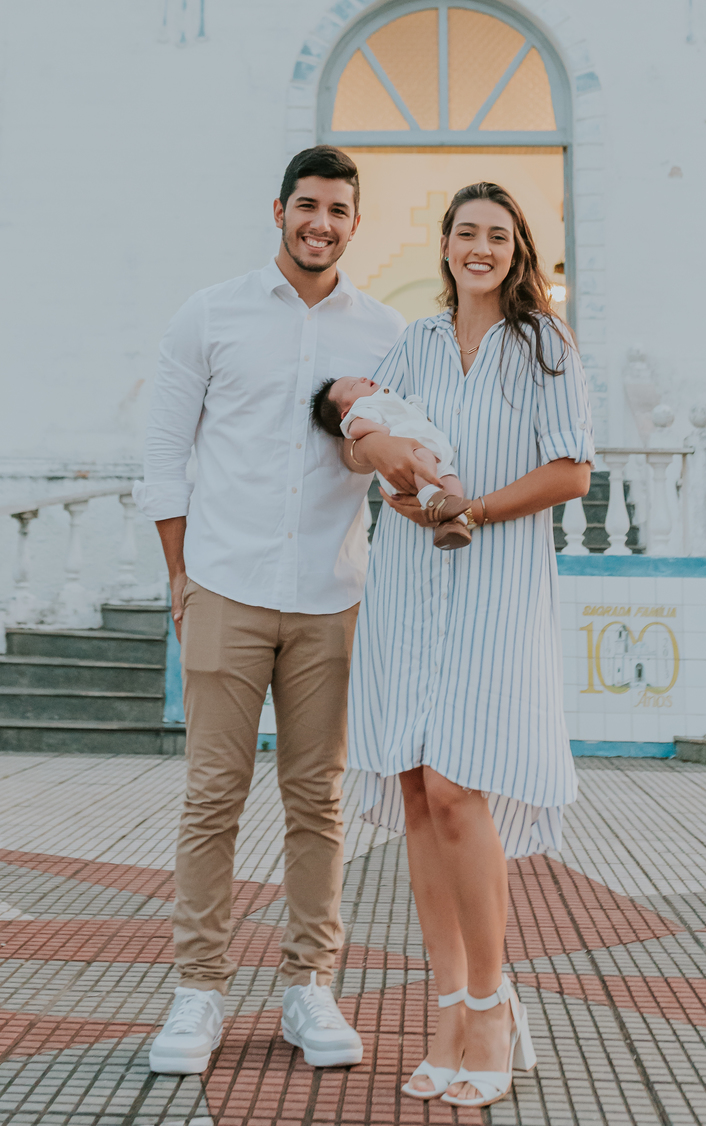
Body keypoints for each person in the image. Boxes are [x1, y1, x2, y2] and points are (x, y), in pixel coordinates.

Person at [142, 146, 409, 1075]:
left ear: (354, 224)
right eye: (307, 205)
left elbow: (398, 456)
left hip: (331, 596)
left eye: (337, 210)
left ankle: (309, 988)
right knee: (212, 797)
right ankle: (197, 991)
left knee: (317, 803)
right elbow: (164, 453)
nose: (320, 223)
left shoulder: (386, 334)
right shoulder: (209, 315)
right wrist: (179, 578)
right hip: (224, 585)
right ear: (278, 210)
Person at [345, 181, 594, 1111]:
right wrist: (397, 482)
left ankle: (490, 1003)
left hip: (496, 587)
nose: (478, 248)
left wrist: (475, 509)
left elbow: (573, 467)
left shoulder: (544, 346)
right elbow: (371, 446)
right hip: (410, 583)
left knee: (460, 786)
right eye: (464, 233)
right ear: (443, 244)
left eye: (496, 234)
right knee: (415, 786)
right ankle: (446, 1006)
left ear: (516, 246)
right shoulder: (408, 343)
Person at [310, 376, 472, 548]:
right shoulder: (364, 408)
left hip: (431, 453)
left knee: (449, 477)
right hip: (410, 457)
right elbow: (356, 429)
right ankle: (431, 497)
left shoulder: (385, 398)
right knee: (425, 459)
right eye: (353, 385)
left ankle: (454, 522)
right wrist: (383, 431)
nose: (363, 379)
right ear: (346, 411)